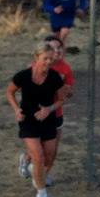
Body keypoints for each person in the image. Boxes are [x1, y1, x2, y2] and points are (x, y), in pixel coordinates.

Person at [6, 42, 68, 197]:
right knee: (38, 157)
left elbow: (62, 100)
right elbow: (9, 92)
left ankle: (34, 171)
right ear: (36, 58)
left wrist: (49, 109)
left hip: (48, 120)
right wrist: (16, 109)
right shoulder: (23, 76)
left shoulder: (54, 77)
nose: (48, 62)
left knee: (49, 156)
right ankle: (41, 192)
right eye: (45, 59)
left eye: (51, 59)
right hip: (28, 120)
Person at [19, 35, 75, 186]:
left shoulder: (66, 69)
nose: (56, 51)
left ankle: (43, 175)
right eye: (52, 48)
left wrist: (67, 92)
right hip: (37, 115)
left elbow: (68, 91)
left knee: (52, 151)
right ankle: (28, 162)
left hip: (56, 115)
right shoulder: (35, 67)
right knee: (39, 150)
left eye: (59, 48)